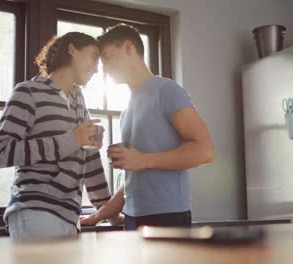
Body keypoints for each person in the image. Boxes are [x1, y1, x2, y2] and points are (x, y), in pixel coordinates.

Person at [79, 24, 214, 230]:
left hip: (168, 216)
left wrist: (143, 160)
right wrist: (100, 215)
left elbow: (205, 151)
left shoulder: (167, 91)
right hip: (132, 217)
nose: (104, 69)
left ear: (128, 48)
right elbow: (134, 179)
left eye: (107, 57)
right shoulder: (126, 110)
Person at [0, 32, 111, 239]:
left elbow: (90, 161)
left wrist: (109, 212)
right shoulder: (28, 92)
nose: (97, 68)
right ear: (73, 50)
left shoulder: (78, 100)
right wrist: (72, 140)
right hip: (36, 211)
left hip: (70, 216)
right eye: (93, 56)